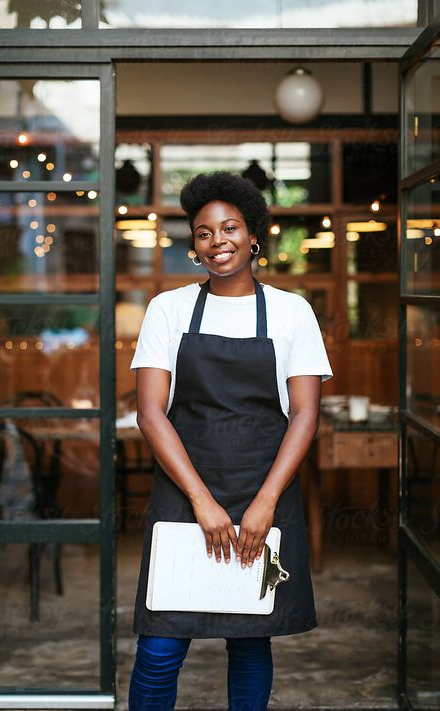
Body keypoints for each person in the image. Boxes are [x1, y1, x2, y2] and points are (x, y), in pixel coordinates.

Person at [127, 171, 333, 710]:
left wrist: (265, 501)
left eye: (230, 227)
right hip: (183, 488)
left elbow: (305, 416)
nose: (218, 241)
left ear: (254, 234)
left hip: (263, 486)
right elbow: (151, 412)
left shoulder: (293, 312)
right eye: (203, 232)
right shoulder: (167, 310)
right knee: (161, 645)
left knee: (248, 638)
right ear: (193, 245)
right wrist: (200, 499)